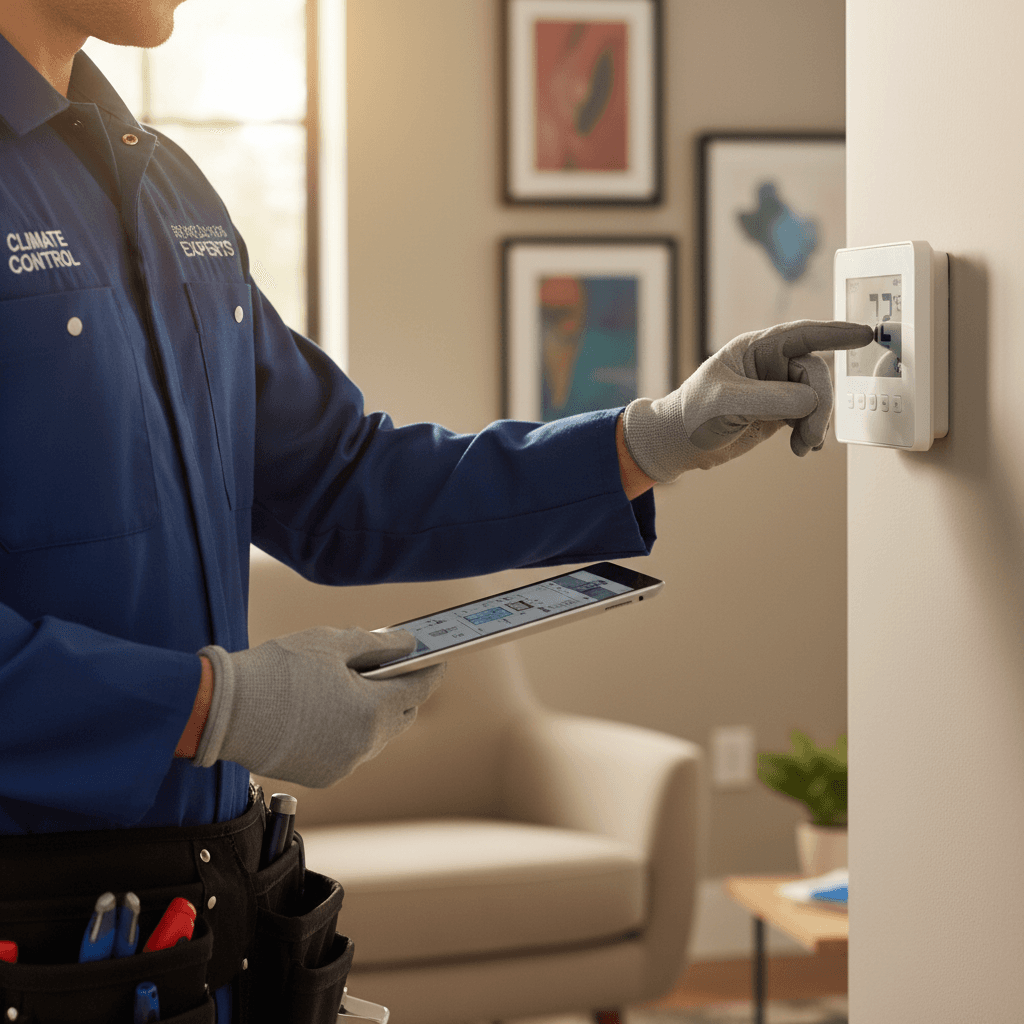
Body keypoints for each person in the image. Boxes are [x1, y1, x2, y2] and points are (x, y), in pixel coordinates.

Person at [0, 0, 872, 1019]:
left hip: (208, 897)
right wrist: (212, 704)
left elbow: (342, 482)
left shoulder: (162, 185)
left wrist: (648, 439)